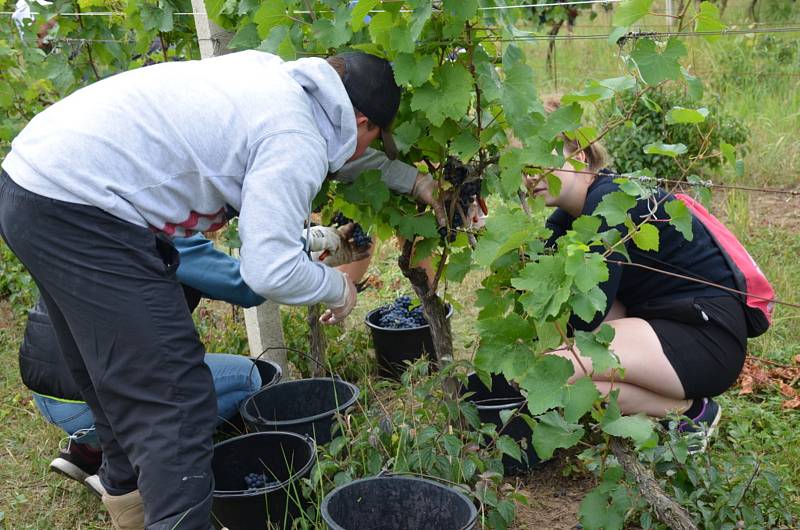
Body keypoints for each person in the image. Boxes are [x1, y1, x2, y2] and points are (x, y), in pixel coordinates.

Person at [0, 50, 413, 529]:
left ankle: (131, 513)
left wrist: (417, 183)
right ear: (359, 121)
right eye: (374, 138)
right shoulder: (295, 137)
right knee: (175, 401)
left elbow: (340, 158)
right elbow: (268, 272)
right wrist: (338, 289)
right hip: (83, 205)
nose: (368, 150)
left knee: (111, 385)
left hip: (34, 184)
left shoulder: (275, 81)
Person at [523, 122, 750, 452]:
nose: (530, 176)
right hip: (665, 328)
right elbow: (545, 297)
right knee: (577, 378)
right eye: (525, 166)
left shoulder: (610, 201)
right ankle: (694, 413)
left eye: (542, 158)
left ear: (581, 156)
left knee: (559, 368)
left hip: (707, 336)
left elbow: (585, 319)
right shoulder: (567, 220)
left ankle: (690, 409)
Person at [20, 234, 272, 498]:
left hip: (47, 392)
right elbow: (246, 287)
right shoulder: (171, 235)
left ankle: (90, 448)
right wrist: (296, 247)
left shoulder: (100, 221)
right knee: (247, 376)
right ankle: (132, 460)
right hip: (88, 402)